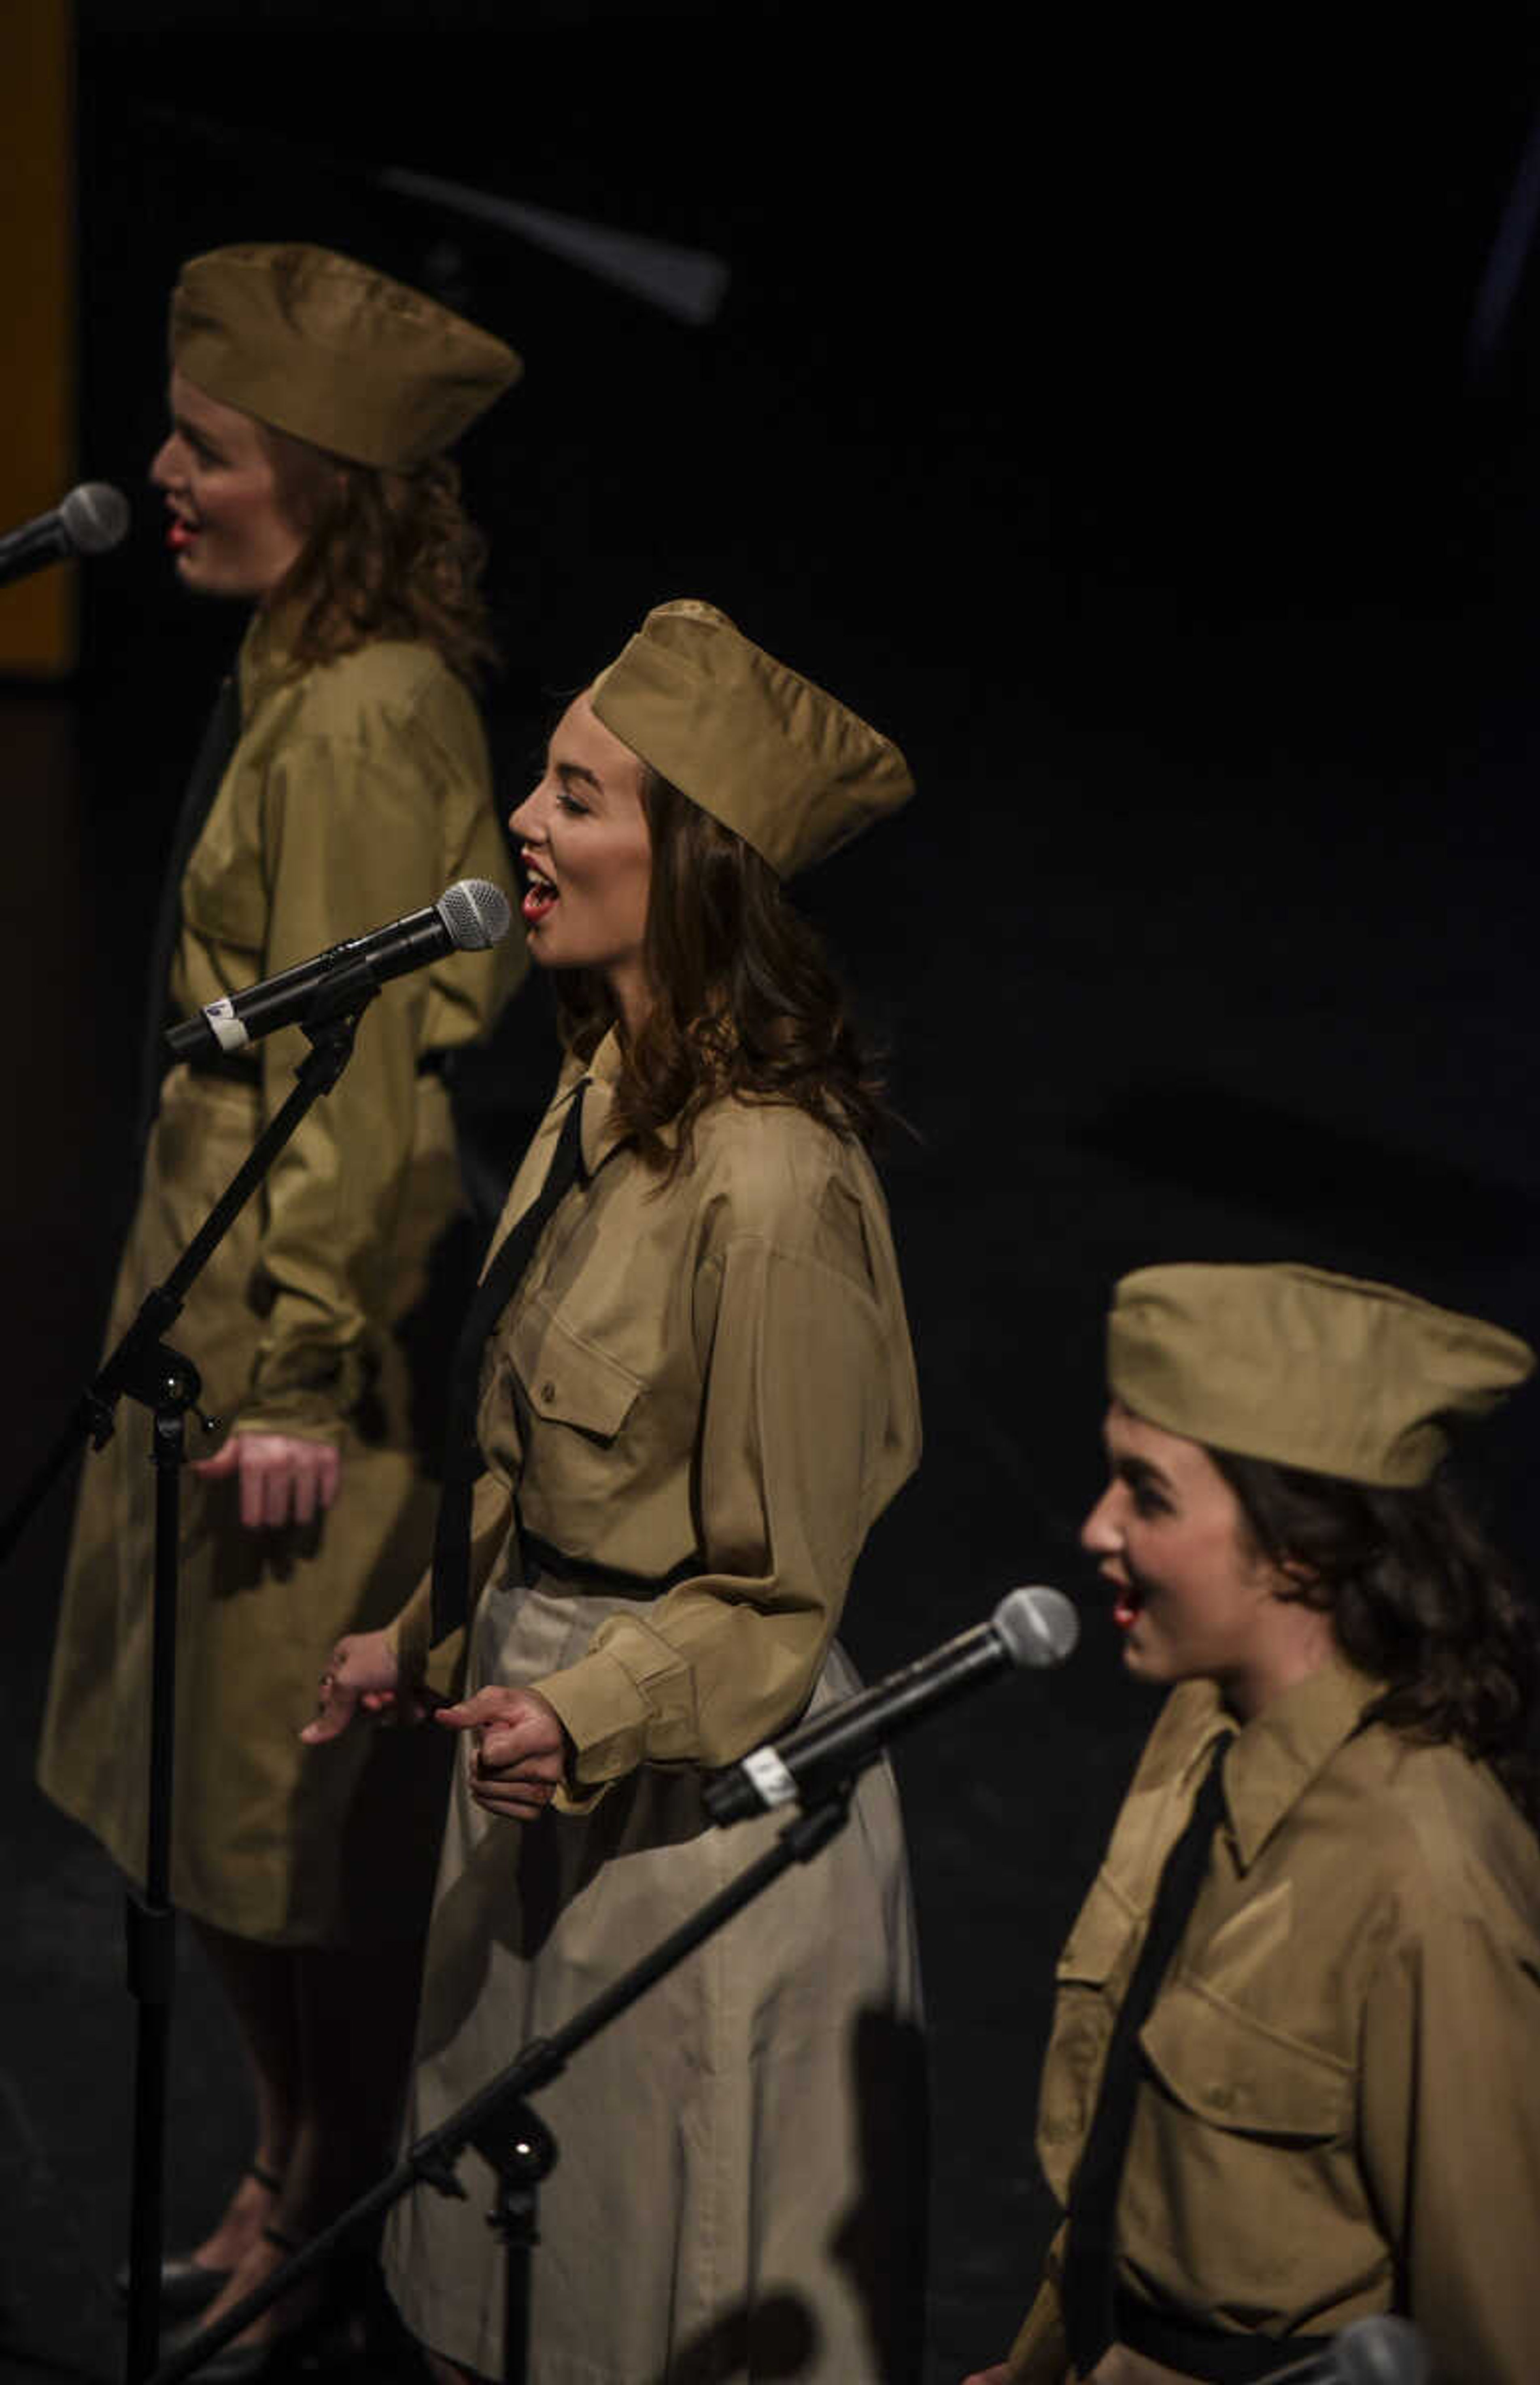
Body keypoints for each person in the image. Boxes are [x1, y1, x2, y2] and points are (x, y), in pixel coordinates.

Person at [306, 598, 928, 2384]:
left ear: (694, 862)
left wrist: (580, 1708)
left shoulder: (773, 1187)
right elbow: (531, 1455)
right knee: (499, 2287)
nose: (527, 821)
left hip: (684, 1819)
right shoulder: (603, 1087)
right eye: (544, 783)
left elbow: (777, 1597)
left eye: (580, 798)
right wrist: (424, 1636)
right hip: (538, 1739)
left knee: (640, 2294)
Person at [37, 244, 525, 2368]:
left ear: (324, 485)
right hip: (219, 1307)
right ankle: (292, 2158)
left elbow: (378, 1090)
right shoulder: (303, 677)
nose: (160, 474)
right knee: (195, 1807)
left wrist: (304, 1368)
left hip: (299, 1356)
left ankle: (328, 2188)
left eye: (207, 447)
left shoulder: (369, 716)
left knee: (275, 1823)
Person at [964, 1261, 1540, 2385]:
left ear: (1300, 1548)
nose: (1095, 1528)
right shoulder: (1200, 1737)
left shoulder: (1431, 1881)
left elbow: (1505, 2341)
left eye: (1148, 1494)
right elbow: (1125, 2182)